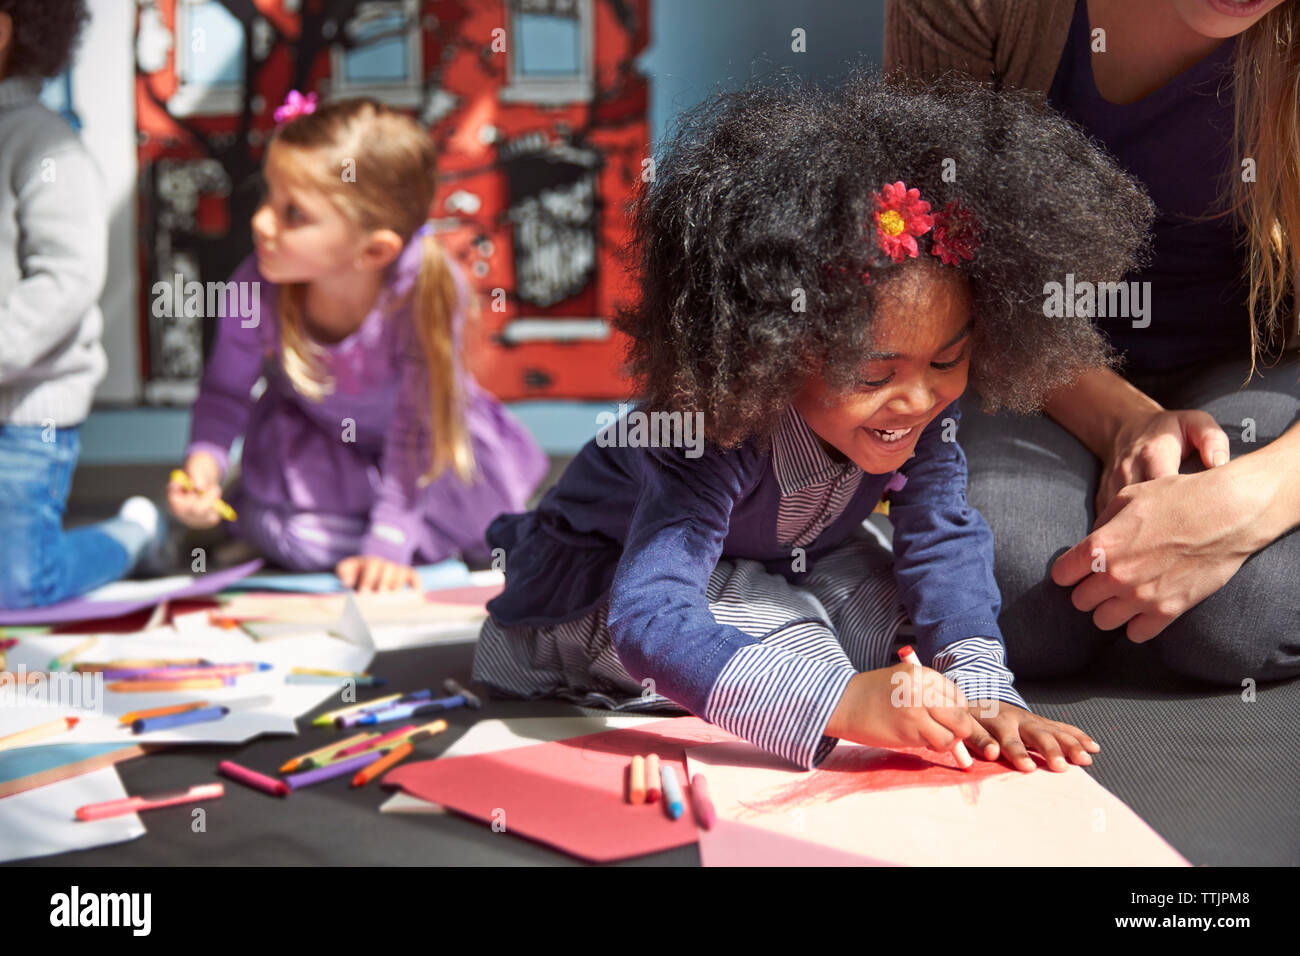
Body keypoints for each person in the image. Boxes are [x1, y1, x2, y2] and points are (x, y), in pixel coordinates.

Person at [471, 75, 1152, 770]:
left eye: (947, 361)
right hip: (605, 583)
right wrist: (845, 703)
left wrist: (982, 693)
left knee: (906, 634)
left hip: (778, 559)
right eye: (873, 375)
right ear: (777, 349)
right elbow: (650, 617)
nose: (917, 400)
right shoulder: (707, 433)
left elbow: (943, 547)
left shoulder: (924, 425)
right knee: (804, 643)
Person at [886, 0, 1300, 683]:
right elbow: (941, 254)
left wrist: (1247, 502)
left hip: (1264, 360)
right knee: (1012, 592)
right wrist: (1123, 421)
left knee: (1234, 618)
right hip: (1028, 358)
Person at [169, 96, 547, 590]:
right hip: (320, 443)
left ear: (373, 250)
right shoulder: (253, 286)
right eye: (268, 197)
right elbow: (224, 393)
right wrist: (204, 467)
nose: (261, 221)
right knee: (291, 536)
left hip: (424, 450)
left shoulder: (424, 291)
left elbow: (417, 429)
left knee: (486, 529)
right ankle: (278, 521)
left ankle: (386, 531)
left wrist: (388, 541)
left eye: (293, 213)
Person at [0, 0, 165, 610]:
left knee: (19, 585)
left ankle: (135, 533)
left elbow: (66, 279)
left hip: (25, 411)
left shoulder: (46, 145)